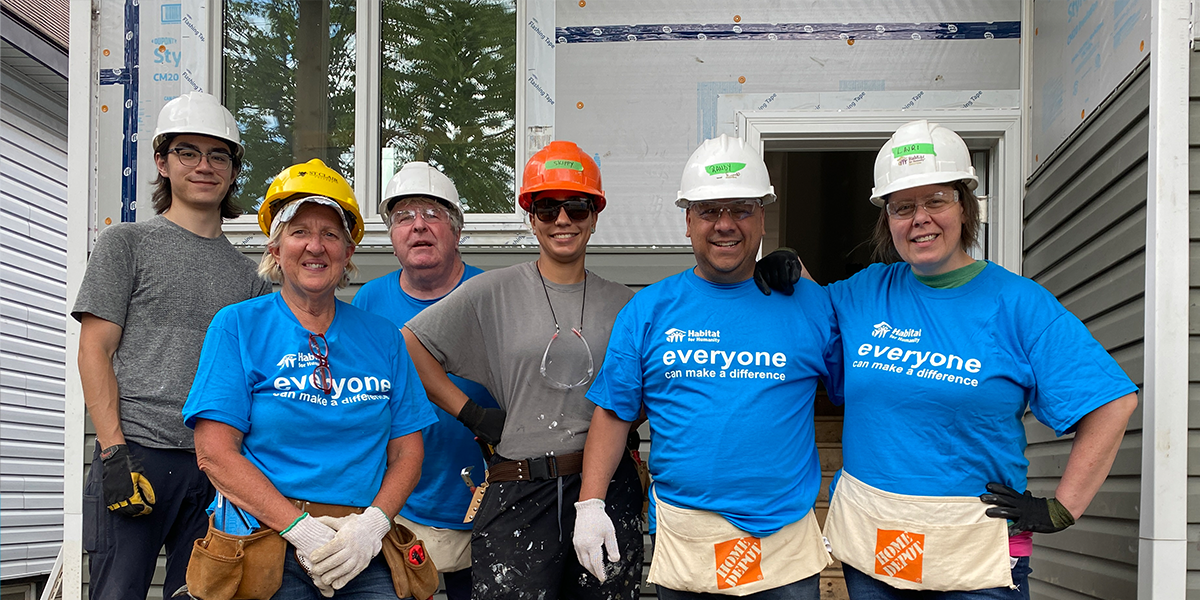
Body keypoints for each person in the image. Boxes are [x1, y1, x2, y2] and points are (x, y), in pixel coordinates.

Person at [758, 120, 1139, 598]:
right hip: (879, 541)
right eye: (902, 207)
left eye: (936, 200)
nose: (920, 218)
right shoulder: (865, 292)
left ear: (964, 206)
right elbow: (807, 315)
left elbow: (1110, 402)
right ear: (887, 220)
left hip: (973, 552)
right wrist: (788, 263)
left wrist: (1062, 507)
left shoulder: (1019, 303)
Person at [574, 135, 839, 600]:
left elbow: (866, 394)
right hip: (687, 533)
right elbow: (615, 411)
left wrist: (807, 277)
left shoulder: (811, 305)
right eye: (709, 211)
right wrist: (590, 503)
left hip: (784, 540)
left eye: (740, 209)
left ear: (762, 216)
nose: (725, 225)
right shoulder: (650, 309)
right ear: (688, 221)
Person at [182, 159, 437, 597]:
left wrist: (372, 526)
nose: (315, 246)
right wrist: (300, 529)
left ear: (348, 253)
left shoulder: (383, 339)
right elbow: (215, 453)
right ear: (275, 249)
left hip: (360, 543)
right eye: (299, 232)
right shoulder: (238, 326)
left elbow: (408, 453)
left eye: (330, 234)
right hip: (264, 539)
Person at [402, 141, 643, 600]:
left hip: (608, 488)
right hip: (519, 485)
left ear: (595, 215)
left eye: (577, 207)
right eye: (548, 208)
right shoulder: (492, 292)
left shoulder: (627, 305)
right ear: (531, 217)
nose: (563, 220)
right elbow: (411, 345)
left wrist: (634, 415)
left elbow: (657, 380)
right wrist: (471, 412)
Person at [72, 92, 272, 600]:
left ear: (232, 171)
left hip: (216, 467)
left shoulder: (249, 279)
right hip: (136, 456)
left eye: (218, 155)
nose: (204, 166)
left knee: (202, 597)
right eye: (188, 152)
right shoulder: (127, 244)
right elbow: (94, 350)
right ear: (162, 161)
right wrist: (113, 451)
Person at [352, 161, 500, 600]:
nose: (418, 227)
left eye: (433, 215)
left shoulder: (492, 293)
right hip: (397, 500)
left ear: (456, 231)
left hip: (484, 493)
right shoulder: (369, 300)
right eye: (404, 218)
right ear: (392, 237)